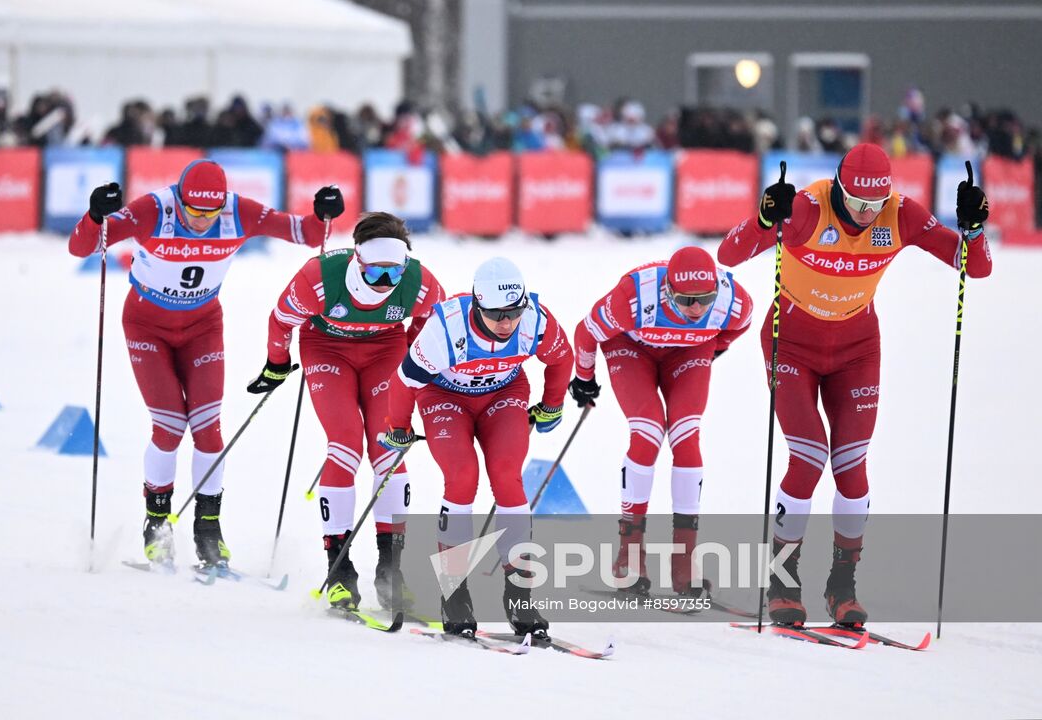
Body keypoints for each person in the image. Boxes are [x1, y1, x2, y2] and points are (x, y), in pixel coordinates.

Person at [718, 142, 992, 626]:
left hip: (857, 349)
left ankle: (841, 584)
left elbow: (975, 266)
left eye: (875, 203)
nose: (866, 214)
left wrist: (973, 229)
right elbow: (728, 254)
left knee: (851, 466)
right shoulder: (807, 208)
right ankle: (782, 579)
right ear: (839, 189)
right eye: (857, 202)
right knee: (808, 458)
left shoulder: (900, 214)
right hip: (792, 344)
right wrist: (763, 220)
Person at [68, 161, 343, 572]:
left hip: (203, 328)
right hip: (147, 326)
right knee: (169, 427)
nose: (201, 221)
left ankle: (208, 529)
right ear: (179, 199)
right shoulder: (153, 210)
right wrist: (95, 216)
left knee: (209, 430)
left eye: (210, 213)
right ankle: (156, 523)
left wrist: (323, 214)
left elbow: (304, 233)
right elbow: (82, 247)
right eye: (193, 212)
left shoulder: (238, 211)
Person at [248, 212, 445, 611]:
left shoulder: (420, 282)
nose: (385, 282)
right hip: (326, 349)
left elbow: (433, 320)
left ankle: (392, 570)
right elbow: (280, 321)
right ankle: (339, 570)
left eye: (394, 272)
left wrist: (412, 356)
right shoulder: (319, 277)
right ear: (358, 261)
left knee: (390, 447)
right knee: (345, 445)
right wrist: (276, 364)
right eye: (375, 273)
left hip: (384, 351)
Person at [377, 258, 573, 638]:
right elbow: (404, 381)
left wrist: (553, 404)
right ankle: (454, 593)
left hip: (503, 393)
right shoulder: (445, 329)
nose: (506, 322)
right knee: (462, 476)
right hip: (445, 396)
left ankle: (519, 594)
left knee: (507, 476)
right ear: (477, 304)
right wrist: (399, 427)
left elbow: (561, 357)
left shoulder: (535, 320)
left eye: (514, 311)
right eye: (496, 314)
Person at [568, 246, 754, 596]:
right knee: (648, 432)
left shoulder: (733, 300)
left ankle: (685, 559)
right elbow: (586, 331)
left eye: (705, 299)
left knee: (686, 435)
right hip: (632, 349)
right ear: (667, 291)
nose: (696, 309)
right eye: (685, 300)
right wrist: (584, 378)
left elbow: (741, 325)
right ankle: (629, 553)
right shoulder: (633, 297)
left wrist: (715, 346)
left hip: (688, 352)